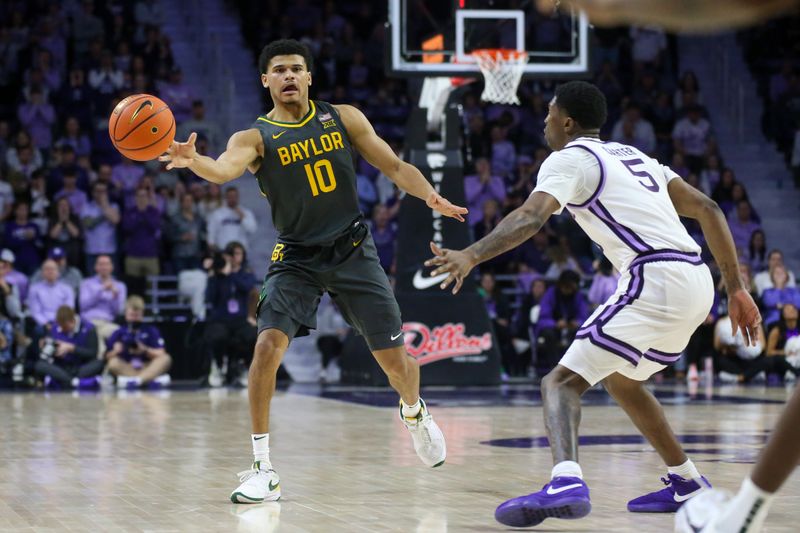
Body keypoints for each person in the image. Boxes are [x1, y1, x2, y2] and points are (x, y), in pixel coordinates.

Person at [425, 81, 761, 528]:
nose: (544, 122)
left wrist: (472, 254)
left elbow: (530, 216)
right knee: (621, 379)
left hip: (654, 275)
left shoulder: (569, 159)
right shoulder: (637, 157)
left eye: (548, 114)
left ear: (567, 121)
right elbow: (711, 209)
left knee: (559, 383)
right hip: (697, 282)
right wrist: (736, 287)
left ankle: (565, 480)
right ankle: (687, 482)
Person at [159, 39, 466, 504]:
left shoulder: (343, 117)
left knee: (397, 365)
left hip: (353, 249)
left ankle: (413, 412)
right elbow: (223, 171)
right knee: (265, 347)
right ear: (265, 80)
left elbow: (395, 165)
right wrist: (193, 161)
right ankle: (264, 469)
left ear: (308, 77)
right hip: (297, 256)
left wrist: (430, 196)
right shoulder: (254, 138)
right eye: (278, 70)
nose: (287, 77)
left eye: (295, 69)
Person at [30, 305, 104, 389]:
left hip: (81, 366)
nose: (62, 329)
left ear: (72, 321)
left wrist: (72, 348)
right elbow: (47, 353)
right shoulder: (54, 328)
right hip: (61, 366)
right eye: (60, 326)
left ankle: (65, 380)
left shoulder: (89, 328)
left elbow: (92, 353)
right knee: (40, 365)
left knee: (99, 363)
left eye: (65, 327)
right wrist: (47, 347)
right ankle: (72, 381)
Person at [105, 296, 171, 388]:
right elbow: (107, 356)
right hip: (128, 367)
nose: (134, 319)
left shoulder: (151, 330)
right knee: (113, 363)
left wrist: (145, 350)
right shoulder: (118, 332)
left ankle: (137, 381)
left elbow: (161, 353)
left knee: (166, 359)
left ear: (142, 315)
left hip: (147, 366)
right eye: (131, 315)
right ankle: (148, 380)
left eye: (137, 316)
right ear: (126, 314)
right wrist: (116, 351)